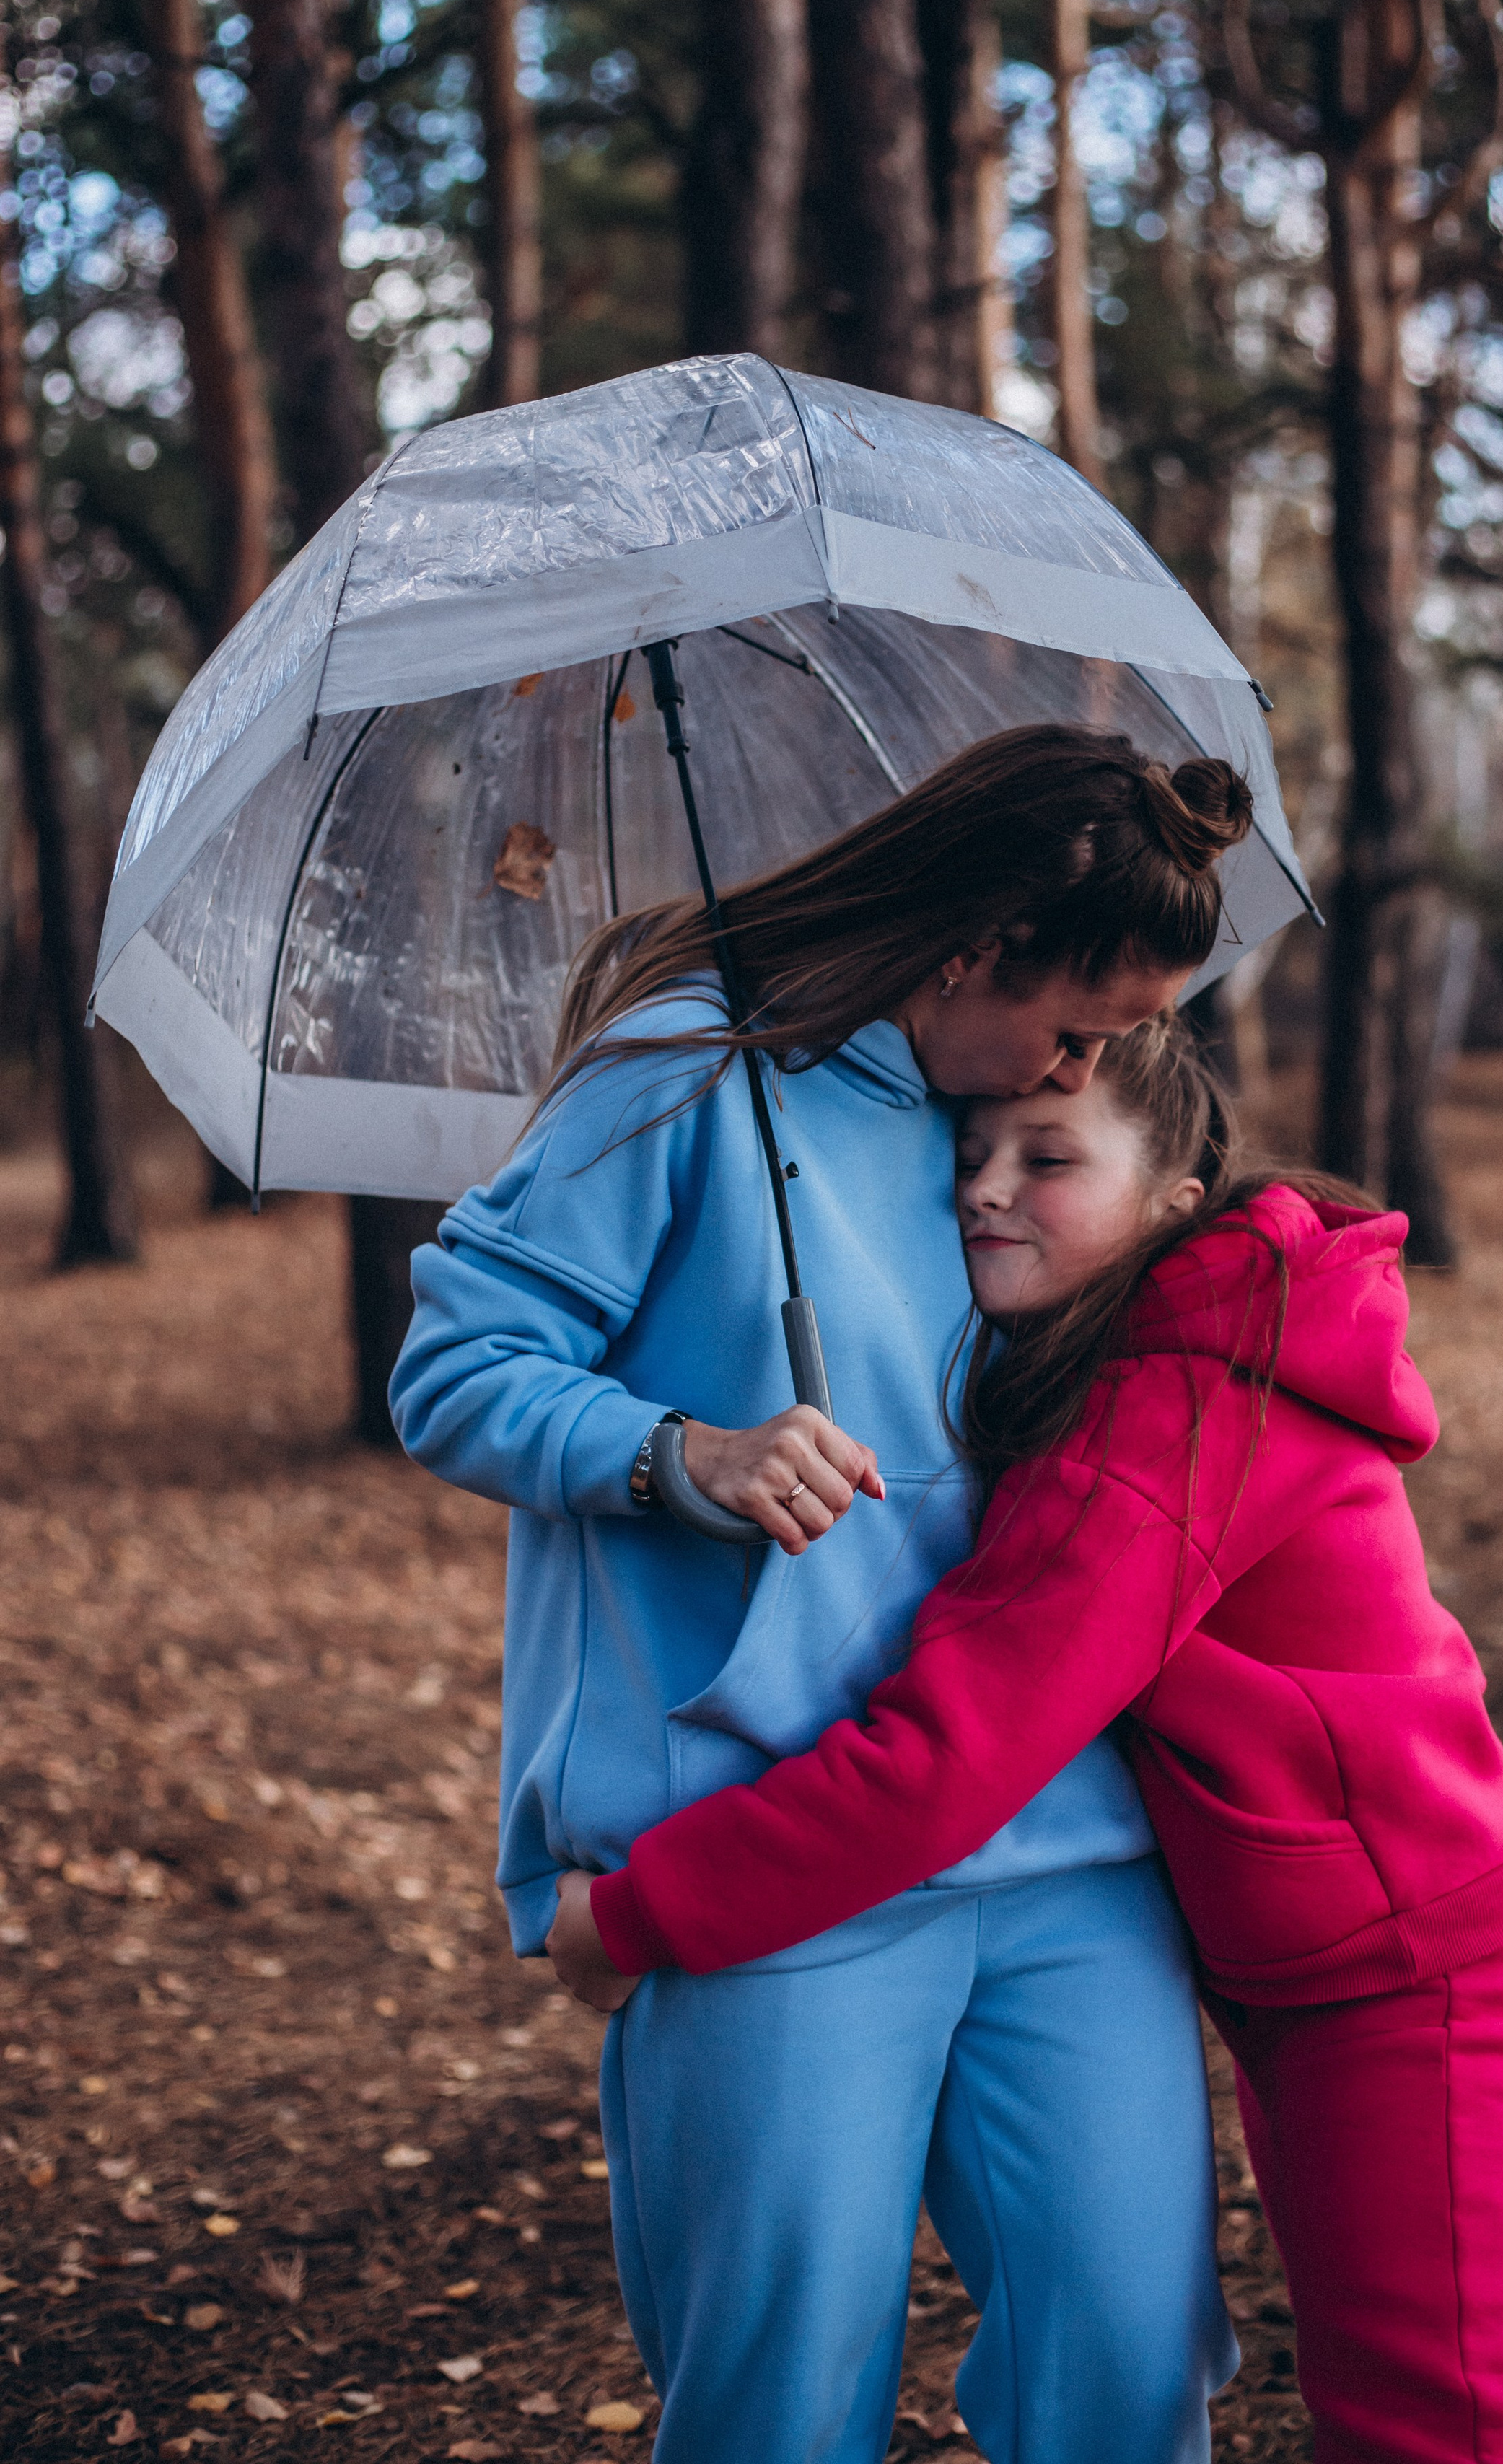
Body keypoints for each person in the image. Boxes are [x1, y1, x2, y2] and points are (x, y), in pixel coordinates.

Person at [388, 727, 1251, 2464]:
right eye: (1076, 1028)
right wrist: (680, 1454)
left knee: (1129, 2366)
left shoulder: (997, 1126)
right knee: (779, 2406)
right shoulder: (678, 1072)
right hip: (755, 1856)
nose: (1083, 1069)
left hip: (1058, 1845)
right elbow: (453, 1371)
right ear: (972, 948)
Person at [548, 1014, 1503, 2464]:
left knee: (1431, 2416)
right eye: (970, 1153)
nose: (984, 1187)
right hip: (1322, 1962)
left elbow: (952, 1750)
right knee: (1380, 2386)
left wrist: (643, 1912)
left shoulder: (1175, 1422)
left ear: (1171, 1203)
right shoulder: (1151, 1357)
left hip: (1410, 1975)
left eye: (1048, 1158)